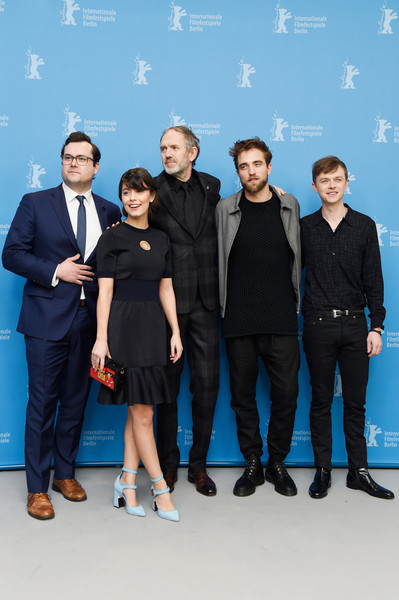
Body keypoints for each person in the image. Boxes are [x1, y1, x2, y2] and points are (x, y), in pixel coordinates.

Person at [2, 132, 121, 519]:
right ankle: (36, 487)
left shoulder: (108, 210)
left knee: (74, 402)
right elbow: (12, 255)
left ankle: (64, 474)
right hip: (45, 320)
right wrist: (56, 270)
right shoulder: (35, 203)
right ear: (62, 162)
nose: (74, 163)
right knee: (41, 404)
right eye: (68, 157)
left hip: (88, 324)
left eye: (82, 158)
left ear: (95, 166)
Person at [91, 168, 182, 521]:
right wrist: (101, 339)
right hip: (122, 326)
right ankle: (160, 488)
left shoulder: (161, 239)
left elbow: (166, 288)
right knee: (143, 411)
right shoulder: (111, 238)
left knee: (139, 408)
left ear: (151, 196)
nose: (132, 198)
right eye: (126, 192)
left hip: (153, 328)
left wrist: (174, 331)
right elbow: (105, 292)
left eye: (139, 191)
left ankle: (127, 482)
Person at [301, 155, 394, 500]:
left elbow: (375, 281)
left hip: (357, 326)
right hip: (318, 325)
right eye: (325, 180)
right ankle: (322, 470)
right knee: (321, 401)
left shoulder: (365, 226)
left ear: (346, 183)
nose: (332, 185)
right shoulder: (304, 226)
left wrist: (377, 326)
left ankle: (359, 471)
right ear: (315, 186)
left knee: (356, 403)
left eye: (338, 179)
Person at [215, 138, 301, 497]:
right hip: (238, 318)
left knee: (286, 394)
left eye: (256, 164)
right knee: (242, 396)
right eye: (243, 166)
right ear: (238, 172)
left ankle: (277, 462)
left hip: (281, 316)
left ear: (269, 167)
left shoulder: (289, 205)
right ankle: (252, 462)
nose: (251, 172)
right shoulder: (224, 209)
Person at [150, 126, 220, 496]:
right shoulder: (152, 191)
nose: (166, 154)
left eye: (174, 148)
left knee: (206, 388)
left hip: (208, 305)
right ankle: (168, 466)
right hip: (168, 310)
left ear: (192, 152)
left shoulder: (214, 186)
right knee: (167, 391)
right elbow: (132, 219)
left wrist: (276, 193)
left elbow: (249, 204)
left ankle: (199, 467)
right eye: (163, 148)